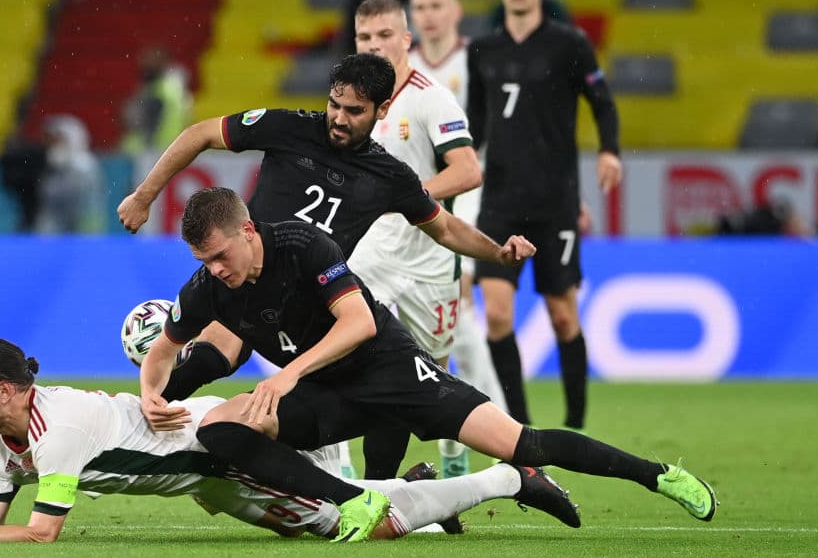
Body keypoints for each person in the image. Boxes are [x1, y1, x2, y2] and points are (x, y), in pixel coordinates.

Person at [139, 186, 717, 542]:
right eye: (202, 261)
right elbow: (163, 351)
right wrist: (150, 392)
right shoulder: (209, 289)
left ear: (247, 231)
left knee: (523, 442)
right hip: (326, 396)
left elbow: (359, 323)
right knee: (221, 427)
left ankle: (659, 474)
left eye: (219, 255)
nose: (214, 269)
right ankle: (353, 500)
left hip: (390, 370)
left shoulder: (303, 246)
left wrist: (288, 372)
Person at [117, 54, 541, 425]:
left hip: (318, 308)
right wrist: (144, 195)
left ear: (382, 109)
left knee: (385, 394)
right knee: (208, 359)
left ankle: (384, 492)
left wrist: (497, 253)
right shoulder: (287, 127)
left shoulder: (390, 176)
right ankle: (130, 431)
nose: (338, 117)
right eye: (334, 105)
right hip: (253, 279)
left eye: (354, 110)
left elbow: (444, 227)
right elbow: (201, 133)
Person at [0, 337, 574, 543]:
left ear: (8, 392)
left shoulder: (59, 427)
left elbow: (41, 535)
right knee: (333, 519)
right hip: (209, 482)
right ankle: (422, 482)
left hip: (216, 448)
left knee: (358, 524)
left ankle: (508, 479)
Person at [466, 0, 623, 431]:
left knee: (562, 317)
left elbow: (602, 103)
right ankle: (523, 429)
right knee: (495, 317)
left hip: (555, 202)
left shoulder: (569, 44)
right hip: (499, 205)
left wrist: (609, 150)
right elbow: (476, 126)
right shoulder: (483, 51)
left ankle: (576, 424)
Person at [343, 0, 499, 481]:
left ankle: (453, 449)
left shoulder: (430, 97)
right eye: (365, 37)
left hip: (431, 257)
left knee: (434, 370)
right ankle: (345, 471)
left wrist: (410, 196)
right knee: (340, 343)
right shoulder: (352, 99)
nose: (375, 45)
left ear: (406, 39)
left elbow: (468, 170)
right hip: (369, 253)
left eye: (385, 35)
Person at [407, 0, 510, 476]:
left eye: (435, 5)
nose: (427, 15)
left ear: (455, 12)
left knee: (462, 309)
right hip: (412, 205)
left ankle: (496, 424)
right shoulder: (401, 69)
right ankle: (482, 429)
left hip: (466, 194)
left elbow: (494, 132)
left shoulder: (473, 61)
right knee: (438, 327)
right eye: (419, 6)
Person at [35, 115, 104, 234]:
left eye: (58, 141)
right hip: (59, 230)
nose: (54, 145)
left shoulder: (84, 165)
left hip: (82, 230)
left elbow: (76, 200)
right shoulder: (55, 165)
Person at [120, 46, 192, 157]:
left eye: (147, 63)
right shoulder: (176, 89)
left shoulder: (157, 91)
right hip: (169, 151)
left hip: (146, 153)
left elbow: (141, 123)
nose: (142, 66)